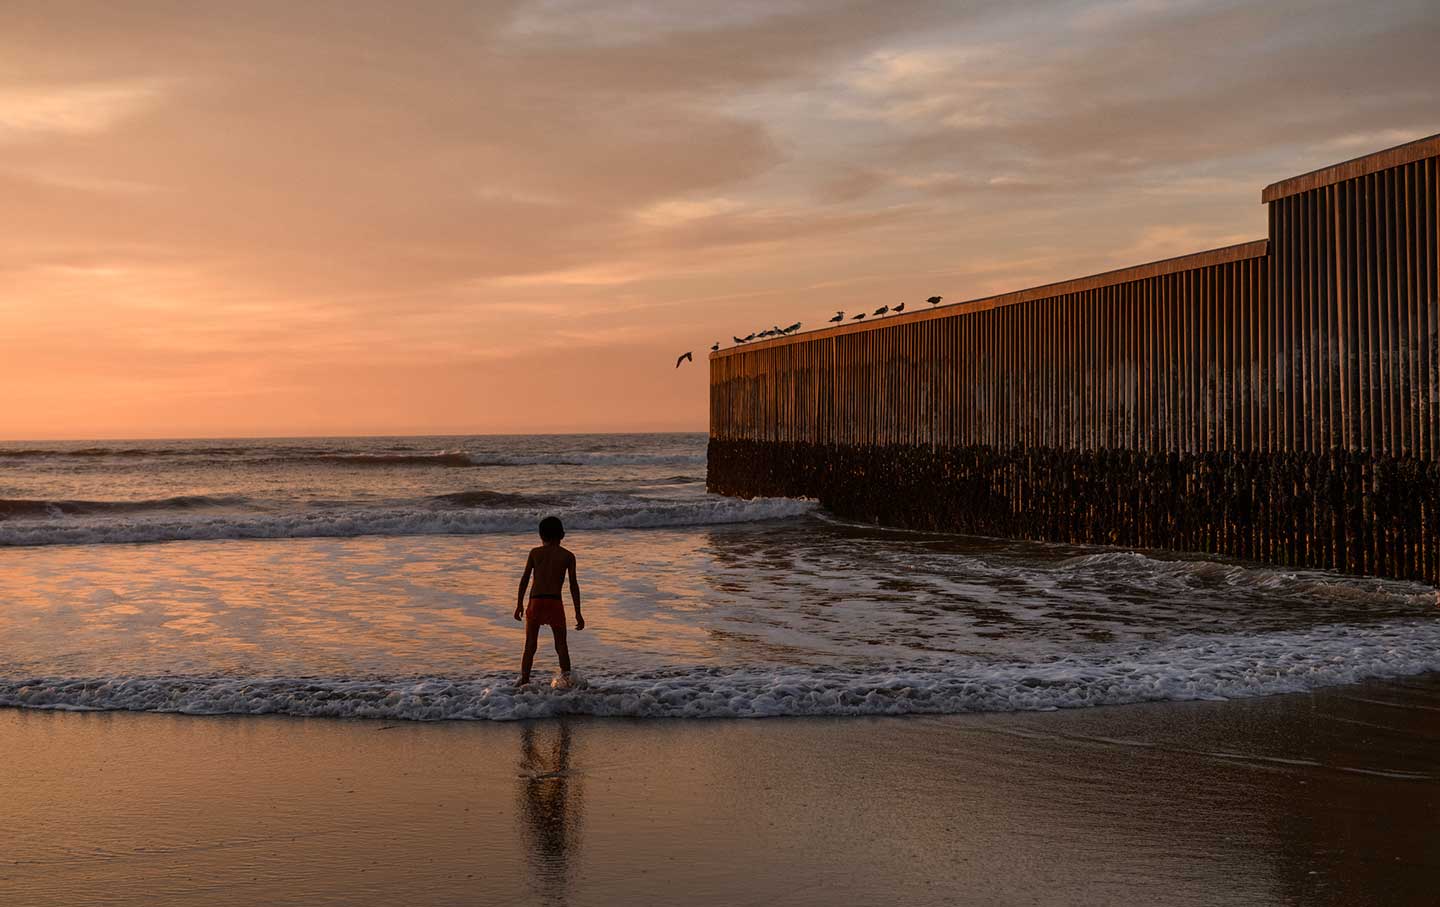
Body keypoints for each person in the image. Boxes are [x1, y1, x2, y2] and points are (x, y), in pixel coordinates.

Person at [515, 515, 584, 685]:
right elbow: (573, 585)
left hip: (536, 601)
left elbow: (524, 579)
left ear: (541, 535)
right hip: (554, 602)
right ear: (562, 535)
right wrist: (578, 612)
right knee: (561, 646)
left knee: (530, 645)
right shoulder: (568, 556)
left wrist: (519, 604)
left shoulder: (535, 553)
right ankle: (567, 681)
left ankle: (524, 680)